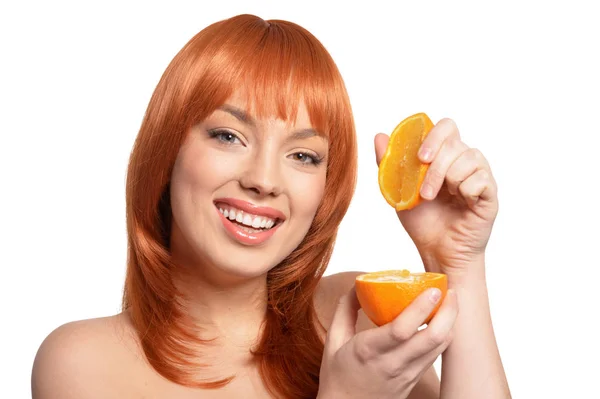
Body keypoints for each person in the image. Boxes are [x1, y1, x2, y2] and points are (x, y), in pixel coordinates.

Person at [31, 14, 510, 399]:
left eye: (302, 155)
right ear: (168, 150)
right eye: (228, 135)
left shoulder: (350, 315)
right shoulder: (81, 362)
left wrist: (458, 261)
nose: (263, 180)